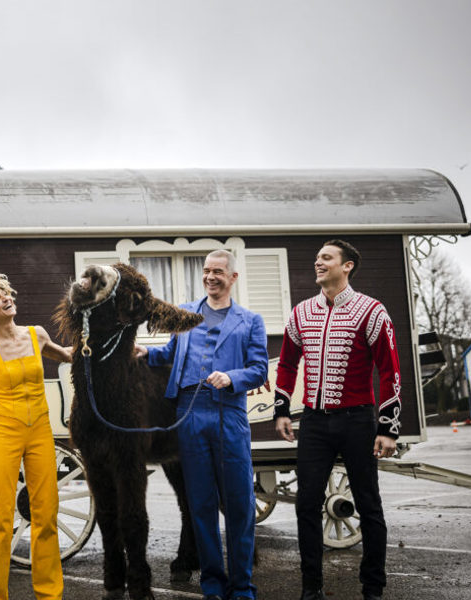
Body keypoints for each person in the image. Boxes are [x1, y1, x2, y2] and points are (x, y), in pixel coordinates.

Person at [134, 249, 268, 600]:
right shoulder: (187, 313)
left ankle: (242, 587)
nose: (210, 276)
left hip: (229, 412)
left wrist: (233, 376)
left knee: (238, 503)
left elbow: (259, 369)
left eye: (218, 271)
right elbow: (170, 353)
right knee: (201, 504)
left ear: (232, 277)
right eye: (207, 271)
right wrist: (146, 353)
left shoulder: (250, 320)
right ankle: (212, 584)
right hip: (188, 414)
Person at [273, 239, 401, 600]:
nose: (318, 263)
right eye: (316, 258)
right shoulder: (301, 313)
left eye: (326, 258)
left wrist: (387, 427)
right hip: (314, 422)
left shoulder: (371, 311)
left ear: (347, 266)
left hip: (358, 421)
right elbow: (286, 363)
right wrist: (282, 409)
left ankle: (373, 588)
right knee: (306, 505)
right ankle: (311, 588)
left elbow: (389, 369)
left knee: (368, 505)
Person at [0, 273, 71, 600]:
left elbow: (65, 355)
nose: (7, 298)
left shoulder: (36, 335)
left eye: (7, 293)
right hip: (4, 433)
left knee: (46, 514)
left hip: (40, 430)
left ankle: (50, 593)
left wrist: (107, 343)